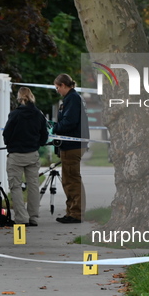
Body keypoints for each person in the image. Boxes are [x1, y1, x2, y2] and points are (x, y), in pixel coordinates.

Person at [3, 87, 49, 226]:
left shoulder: (15, 115)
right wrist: (38, 143)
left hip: (16, 155)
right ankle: (33, 217)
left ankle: (21, 218)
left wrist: (10, 144)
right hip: (32, 154)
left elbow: (6, 133)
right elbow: (44, 135)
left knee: (15, 187)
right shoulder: (38, 114)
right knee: (33, 185)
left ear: (19, 98)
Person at [53, 74, 90, 224]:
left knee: (72, 180)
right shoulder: (72, 98)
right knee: (68, 179)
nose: (57, 91)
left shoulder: (72, 99)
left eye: (57, 88)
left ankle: (76, 213)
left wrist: (55, 128)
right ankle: (71, 211)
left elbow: (69, 121)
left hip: (72, 145)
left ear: (63, 85)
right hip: (71, 144)